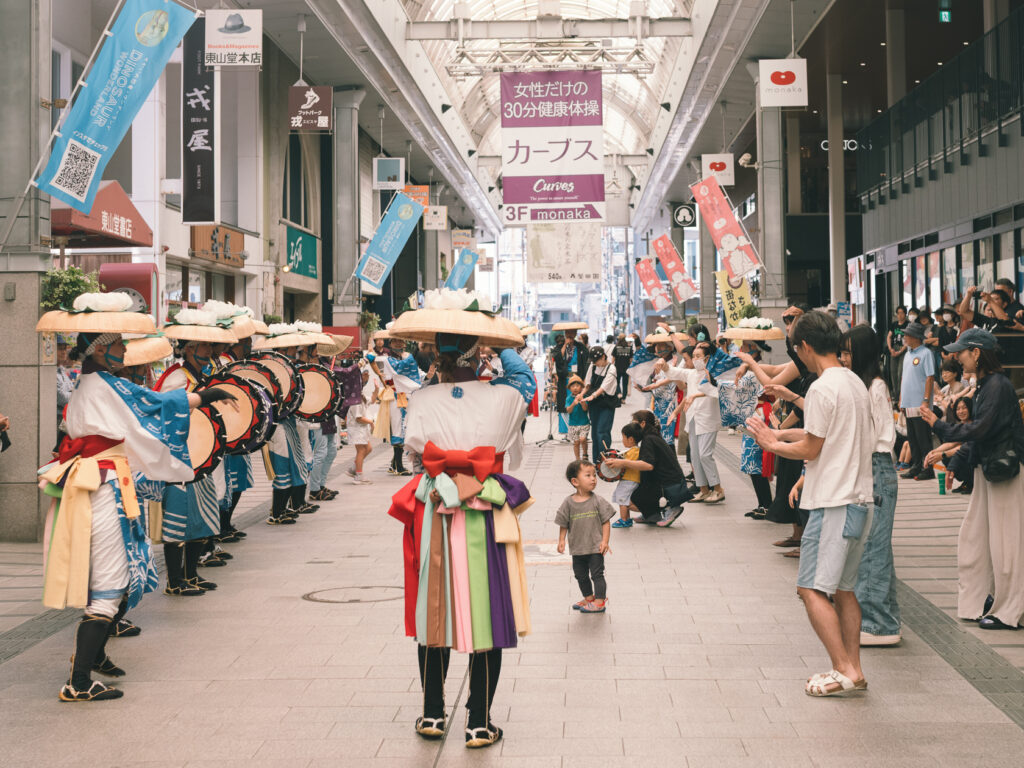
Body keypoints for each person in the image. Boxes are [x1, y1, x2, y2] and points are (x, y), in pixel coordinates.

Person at [38, 296, 235, 702]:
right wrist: (208, 396)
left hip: (98, 480)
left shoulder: (91, 384)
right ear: (100, 350)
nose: (125, 350)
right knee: (111, 582)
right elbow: (156, 405)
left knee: (119, 573)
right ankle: (78, 682)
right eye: (118, 344)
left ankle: (95, 657)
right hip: (103, 485)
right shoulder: (105, 384)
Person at [387, 290, 537, 749]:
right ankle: (478, 722)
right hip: (484, 505)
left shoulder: (422, 398)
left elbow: (413, 458)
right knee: (486, 612)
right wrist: (500, 348)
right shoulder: (505, 396)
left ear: (437, 351)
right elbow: (523, 385)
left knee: (433, 608)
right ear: (480, 352)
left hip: (435, 506)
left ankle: (433, 714)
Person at [747, 311, 875, 696]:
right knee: (845, 590)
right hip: (859, 500)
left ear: (804, 347)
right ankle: (854, 670)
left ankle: (843, 669)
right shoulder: (854, 382)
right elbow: (824, 434)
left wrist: (771, 444)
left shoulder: (821, 388)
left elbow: (812, 448)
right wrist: (780, 435)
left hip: (832, 501)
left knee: (810, 589)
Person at [921, 328, 1024, 630]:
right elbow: (980, 432)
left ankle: (1010, 609)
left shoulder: (997, 386)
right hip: (990, 470)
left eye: (962, 352)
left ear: (976, 353)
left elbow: (980, 429)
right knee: (977, 538)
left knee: (1006, 543)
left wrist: (940, 426)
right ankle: (987, 599)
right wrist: (956, 458)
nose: (957, 358)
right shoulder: (988, 385)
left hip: (1004, 471)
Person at [840, 325, 901, 646]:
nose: (843, 358)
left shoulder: (875, 386)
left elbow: (879, 435)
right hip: (872, 467)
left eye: (848, 352)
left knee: (873, 548)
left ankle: (877, 624)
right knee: (876, 546)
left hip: (876, 466)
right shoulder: (865, 384)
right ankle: (886, 621)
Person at [603, 410, 689, 527]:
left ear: (643, 423)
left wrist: (622, 462)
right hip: (669, 482)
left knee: (627, 499)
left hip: (667, 485)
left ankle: (669, 508)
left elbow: (648, 465)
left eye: (634, 423)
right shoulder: (652, 436)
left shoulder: (648, 440)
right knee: (632, 493)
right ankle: (651, 515)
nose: (632, 426)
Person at [557, 459, 615, 614]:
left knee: (597, 574)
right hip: (577, 548)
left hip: (595, 547)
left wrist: (605, 541)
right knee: (580, 575)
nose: (593, 479)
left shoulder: (598, 501)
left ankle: (599, 601)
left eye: (594, 475)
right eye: (588, 475)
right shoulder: (568, 502)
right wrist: (561, 540)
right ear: (575, 482)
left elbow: (606, 522)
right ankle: (589, 598)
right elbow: (563, 522)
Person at [680, 342, 724, 504]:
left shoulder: (715, 373)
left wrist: (694, 396)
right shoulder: (692, 374)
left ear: (707, 358)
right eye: (693, 356)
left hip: (708, 419)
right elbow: (675, 372)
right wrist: (663, 366)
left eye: (698, 356)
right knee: (695, 456)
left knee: (705, 454)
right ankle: (704, 490)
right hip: (693, 417)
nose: (695, 359)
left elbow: (716, 391)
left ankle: (718, 489)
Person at [898, 322, 936, 481]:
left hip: (920, 403)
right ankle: (916, 465)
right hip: (908, 402)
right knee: (912, 437)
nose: (905, 337)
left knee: (923, 438)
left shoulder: (926, 353)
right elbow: (904, 378)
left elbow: (930, 377)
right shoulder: (907, 354)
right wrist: (901, 399)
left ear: (915, 337)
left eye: (907, 335)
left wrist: (926, 400)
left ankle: (928, 468)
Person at [580, 347, 618, 461]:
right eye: (593, 361)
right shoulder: (593, 366)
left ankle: (605, 460)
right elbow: (587, 384)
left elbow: (604, 387)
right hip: (594, 403)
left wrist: (593, 396)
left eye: (596, 360)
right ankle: (596, 461)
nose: (594, 363)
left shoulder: (611, 368)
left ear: (603, 357)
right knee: (594, 432)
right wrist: (581, 394)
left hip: (606, 403)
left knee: (602, 431)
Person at [344, 367, 376, 484]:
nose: (366, 378)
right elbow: (358, 418)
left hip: (360, 429)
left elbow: (372, 400)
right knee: (361, 450)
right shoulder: (355, 398)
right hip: (357, 428)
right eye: (364, 375)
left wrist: (376, 389)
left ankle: (353, 469)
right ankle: (358, 475)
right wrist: (371, 422)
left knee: (368, 449)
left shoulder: (360, 394)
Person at [611, 422, 643, 529]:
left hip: (629, 480)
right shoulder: (632, 451)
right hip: (629, 479)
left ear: (631, 439)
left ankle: (624, 520)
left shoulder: (634, 452)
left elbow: (625, 463)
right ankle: (627, 519)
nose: (622, 440)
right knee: (625, 499)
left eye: (623, 437)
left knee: (622, 499)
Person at [564, 375, 589, 460]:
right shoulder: (568, 398)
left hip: (584, 423)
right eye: (573, 386)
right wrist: (573, 404)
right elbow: (568, 410)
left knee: (583, 439)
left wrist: (582, 401)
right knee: (576, 442)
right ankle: (577, 459)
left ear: (581, 387)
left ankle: (585, 454)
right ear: (570, 388)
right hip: (573, 424)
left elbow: (585, 409)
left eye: (577, 386)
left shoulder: (584, 397)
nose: (575, 388)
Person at [887, 305, 909, 396]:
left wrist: (900, 351)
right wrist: (890, 349)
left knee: (900, 372)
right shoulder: (894, 324)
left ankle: (900, 394)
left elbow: (908, 340)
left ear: (905, 314)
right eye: (898, 313)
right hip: (894, 348)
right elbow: (889, 337)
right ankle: (895, 394)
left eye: (902, 313)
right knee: (893, 372)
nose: (900, 315)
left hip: (903, 349)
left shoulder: (908, 324)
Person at [612, 334, 634, 401]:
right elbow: (631, 360)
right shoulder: (629, 348)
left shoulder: (616, 347)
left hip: (617, 368)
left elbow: (613, 359)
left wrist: (611, 366)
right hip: (626, 368)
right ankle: (623, 398)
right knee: (625, 384)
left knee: (616, 382)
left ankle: (619, 393)